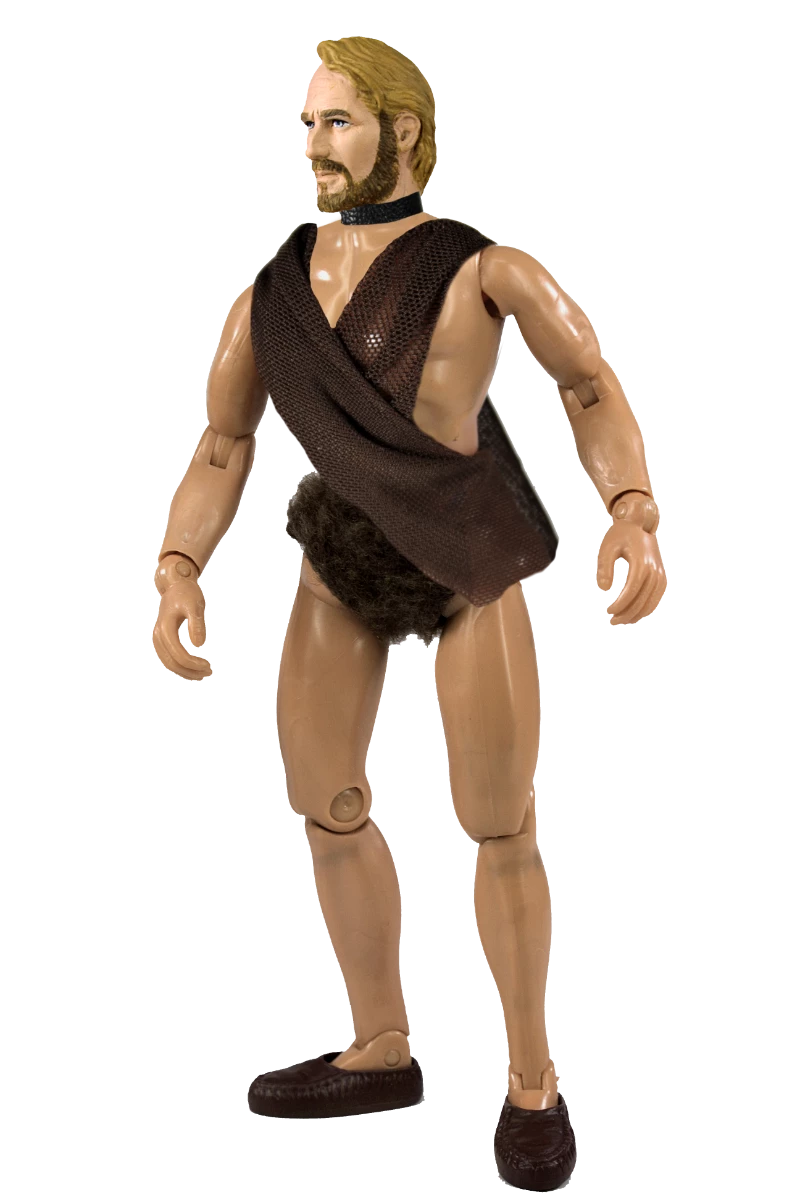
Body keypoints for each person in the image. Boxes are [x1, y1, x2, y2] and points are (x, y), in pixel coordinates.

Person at [153, 36, 665, 1190]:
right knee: (323, 801)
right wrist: (179, 561)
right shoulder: (272, 293)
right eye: (305, 124)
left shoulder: (482, 268)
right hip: (340, 550)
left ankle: (530, 1083)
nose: (313, 145)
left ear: (401, 131)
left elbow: (588, 386)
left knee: (496, 821)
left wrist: (630, 509)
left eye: (336, 121)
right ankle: (380, 1045)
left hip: (467, 542)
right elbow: (222, 444)